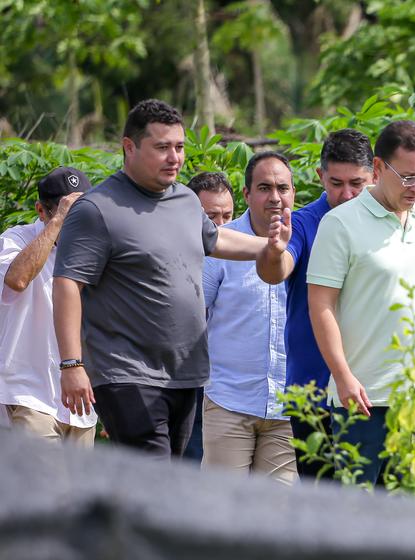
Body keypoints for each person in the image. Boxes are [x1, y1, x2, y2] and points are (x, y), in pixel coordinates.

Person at [52, 98, 290, 458]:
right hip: (126, 373)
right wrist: (72, 365)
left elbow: (215, 238)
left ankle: (105, 514)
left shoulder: (184, 199)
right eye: (162, 147)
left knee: (162, 484)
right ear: (129, 147)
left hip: (185, 373)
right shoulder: (96, 209)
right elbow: (68, 283)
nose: (174, 157)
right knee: (155, 476)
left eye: (179, 147)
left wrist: (268, 246)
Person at [306, 120, 415, 488]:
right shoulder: (340, 223)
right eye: (407, 177)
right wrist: (342, 377)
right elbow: (320, 305)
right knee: (356, 519)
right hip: (364, 398)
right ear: (378, 168)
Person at [255, 129, 375, 479]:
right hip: (314, 393)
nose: (347, 194)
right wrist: (275, 252)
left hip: (374, 388)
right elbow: (277, 272)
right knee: (321, 503)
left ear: (376, 175)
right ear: (320, 176)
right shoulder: (305, 222)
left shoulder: (388, 222)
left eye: (357, 183)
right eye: (336, 182)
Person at [200, 152, 298, 484]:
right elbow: (195, 317)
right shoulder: (221, 244)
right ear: (246, 194)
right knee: (220, 512)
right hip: (229, 401)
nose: (275, 197)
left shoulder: (306, 239)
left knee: (277, 517)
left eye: (282, 188)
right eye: (264, 187)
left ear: (293, 192)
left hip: (288, 408)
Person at [0, 167, 97, 446]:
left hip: (82, 402)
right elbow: (16, 280)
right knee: (40, 487)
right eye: (69, 212)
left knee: (81, 490)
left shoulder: (95, 247)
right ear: (41, 210)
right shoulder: (15, 239)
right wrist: (58, 221)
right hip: (29, 393)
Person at [181, 170, 238, 464]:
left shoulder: (244, 255)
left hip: (232, 387)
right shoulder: (175, 256)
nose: (221, 226)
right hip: (186, 383)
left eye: (228, 215)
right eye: (211, 217)